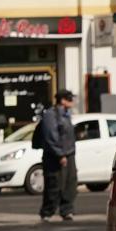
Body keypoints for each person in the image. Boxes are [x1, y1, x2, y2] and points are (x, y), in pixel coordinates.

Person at [36, 89, 78, 222]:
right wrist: (60, 154)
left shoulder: (66, 114)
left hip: (69, 154)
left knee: (70, 183)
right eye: (70, 99)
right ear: (62, 100)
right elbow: (51, 136)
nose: (72, 101)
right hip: (54, 156)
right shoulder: (50, 115)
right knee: (54, 184)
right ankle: (47, 212)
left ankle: (67, 210)